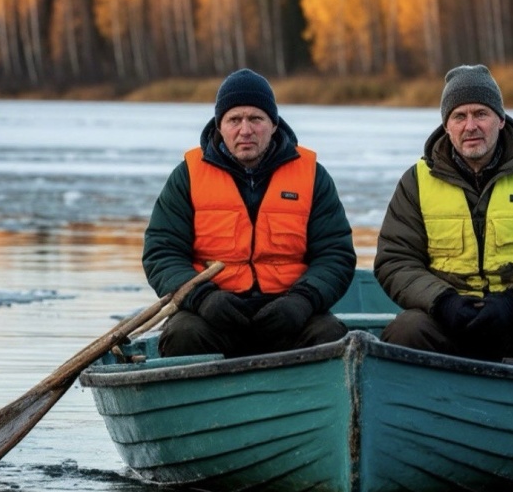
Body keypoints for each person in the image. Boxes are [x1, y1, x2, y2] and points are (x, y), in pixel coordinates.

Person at [374, 64, 513, 362]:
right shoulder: (416, 181)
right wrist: (443, 302)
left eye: (481, 114)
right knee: (406, 331)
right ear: (446, 126)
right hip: (448, 321)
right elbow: (395, 261)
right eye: (459, 116)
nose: (470, 126)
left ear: (501, 120)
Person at [143, 68, 356, 357]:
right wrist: (203, 298)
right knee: (183, 334)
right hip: (213, 315)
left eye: (256, 118)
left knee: (332, 337)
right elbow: (161, 252)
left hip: (288, 314)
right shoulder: (188, 176)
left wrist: (302, 301)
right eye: (234, 120)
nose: (245, 130)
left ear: (273, 123)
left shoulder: (311, 176)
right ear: (220, 126)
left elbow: (335, 254)